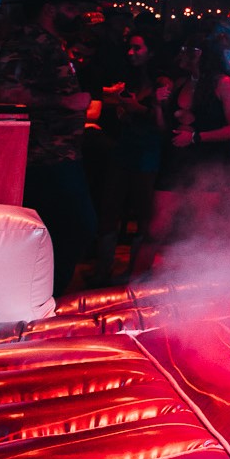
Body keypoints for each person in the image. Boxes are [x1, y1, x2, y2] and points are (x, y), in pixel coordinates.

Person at [0, 0, 98, 295]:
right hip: (44, 154)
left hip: (60, 152)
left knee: (60, 229)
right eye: (70, 7)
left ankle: (41, 298)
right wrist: (64, 101)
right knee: (77, 225)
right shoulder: (27, 40)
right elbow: (5, 90)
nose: (76, 14)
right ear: (50, 9)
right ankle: (43, 298)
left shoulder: (51, 42)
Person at [152, 35, 230, 242]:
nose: (182, 53)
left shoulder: (224, 84)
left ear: (201, 54)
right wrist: (157, 106)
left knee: (200, 231)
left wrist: (196, 137)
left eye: (188, 48)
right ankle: (142, 274)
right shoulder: (181, 83)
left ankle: (197, 273)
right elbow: (165, 130)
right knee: (156, 229)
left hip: (207, 163)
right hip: (175, 163)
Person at [92, 32, 166, 283]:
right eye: (129, 48)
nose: (130, 53)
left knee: (143, 214)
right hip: (125, 148)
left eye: (137, 48)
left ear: (151, 51)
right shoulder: (130, 79)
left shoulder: (162, 82)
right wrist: (124, 111)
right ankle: (103, 270)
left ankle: (135, 273)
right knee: (109, 209)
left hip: (148, 151)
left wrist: (138, 110)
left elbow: (164, 123)